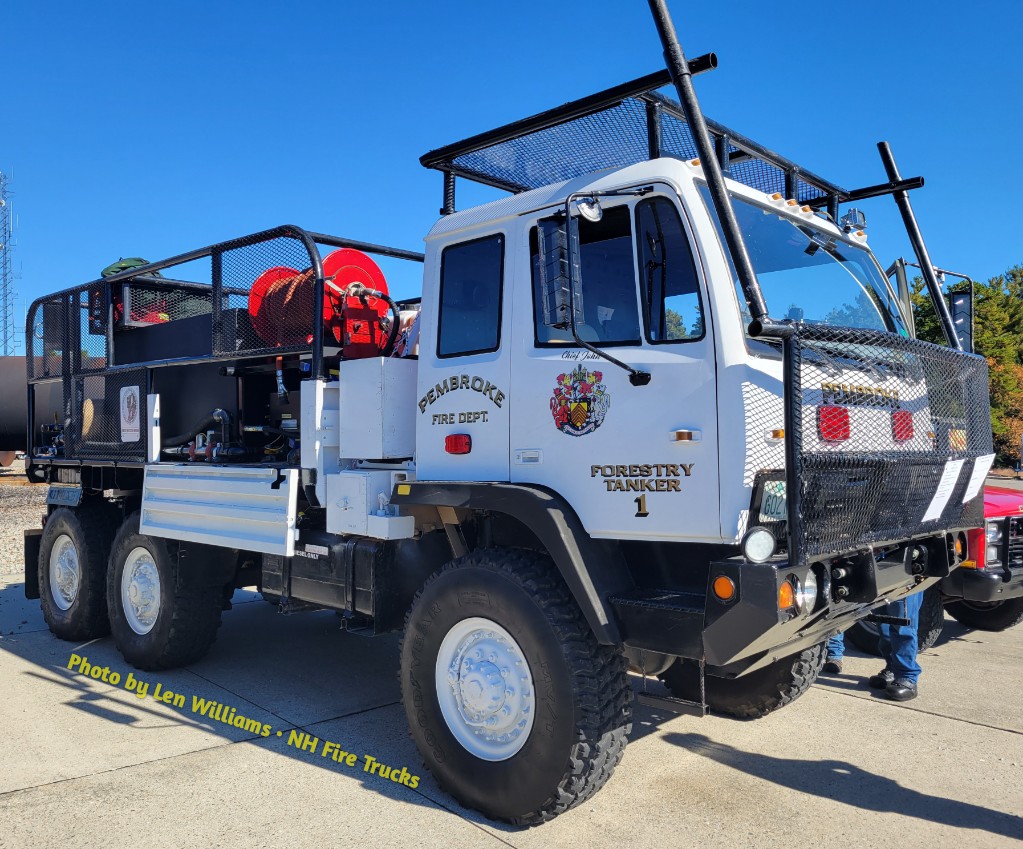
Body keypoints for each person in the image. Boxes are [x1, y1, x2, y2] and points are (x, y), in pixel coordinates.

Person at [822, 591, 922, 702]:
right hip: (881, 577)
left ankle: (907, 676)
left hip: (904, 578)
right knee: (883, 622)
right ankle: (892, 668)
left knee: (902, 625)